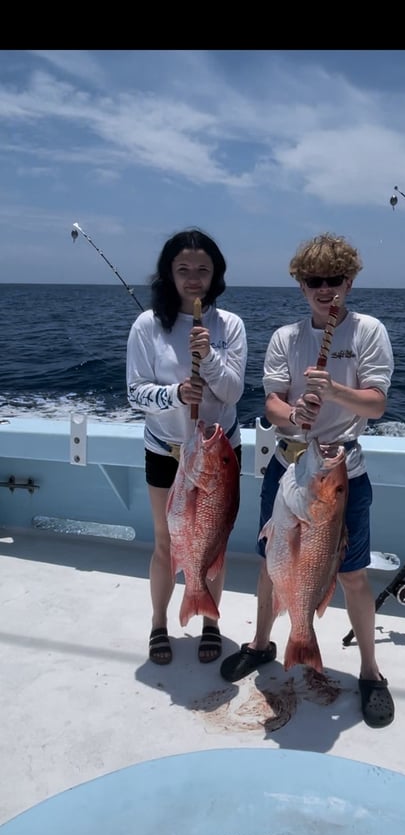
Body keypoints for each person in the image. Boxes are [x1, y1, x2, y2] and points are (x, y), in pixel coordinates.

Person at [220, 232, 395, 728]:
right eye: (314, 281)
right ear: (300, 285)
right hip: (288, 468)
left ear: (350, 281)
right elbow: (271, 403)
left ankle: (370, 671)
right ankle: (260, 643)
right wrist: (293, 412)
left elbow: (377, 403)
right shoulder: (286, 338)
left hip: (340, 475)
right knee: (270, 561)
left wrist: (335, 391)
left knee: (353, 574)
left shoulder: (367, 332)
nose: (325, 290)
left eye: (334, 280)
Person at [127, 228, 247, 666]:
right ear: (169, 274)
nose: (193, 278)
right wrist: (176, 394)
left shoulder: (228, 325)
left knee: (213, 542)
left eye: (202, 269)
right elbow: (134, 392)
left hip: (219, 453)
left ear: (215, 275)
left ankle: (210, 621)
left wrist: (210, 358)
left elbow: (232, 392)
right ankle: (160, 622)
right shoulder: (147, 326)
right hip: (167, 449)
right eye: (183, 269)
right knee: (166, 542)